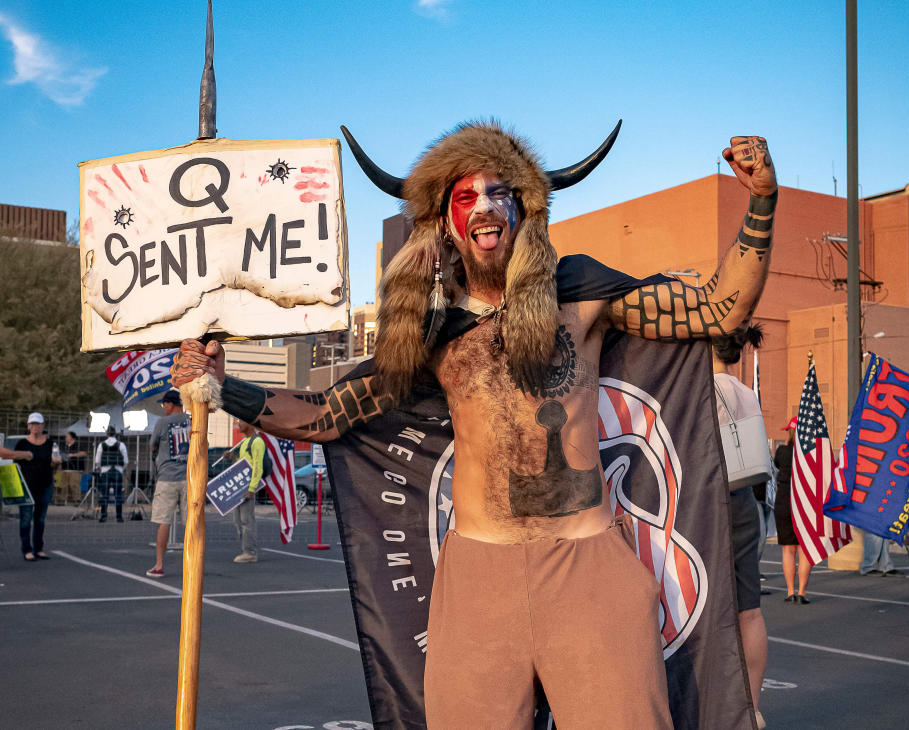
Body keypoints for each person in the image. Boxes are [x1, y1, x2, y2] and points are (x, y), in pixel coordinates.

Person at [173, 123, 777, 727]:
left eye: (499, 192)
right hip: (479, 580)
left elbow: (720, 307)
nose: (485, 206)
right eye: (466, 196)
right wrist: (221, 388)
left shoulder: (580, 292)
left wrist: (761, 200)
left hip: (587, 566)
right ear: (445, 223)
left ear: (524, 210)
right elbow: (327, 416)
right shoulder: (432, 332)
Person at [712, 324, 769, 729]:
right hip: (746, 499)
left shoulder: (701, 389)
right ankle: (752, 706)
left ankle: (711, 698)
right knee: (749, 609)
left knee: (704, 606)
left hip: (711, 500)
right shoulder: (746, 392)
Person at [146, 389, 191, 578]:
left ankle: (159, 564)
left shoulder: (162, 422)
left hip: (166, 477)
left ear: (171, 404)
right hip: (189, 477)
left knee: (164, 522)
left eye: (165, 404)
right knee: (191, 524)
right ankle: (193, 565)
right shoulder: (192, 420)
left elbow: (152, 445)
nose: (164, 407)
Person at [774, 417, 812, 603]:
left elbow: (776, 466)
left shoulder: (782, 451)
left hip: (784, 501)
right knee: (804, 549)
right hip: (804, 502)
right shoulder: (811, 453)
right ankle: (802, 592)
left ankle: (790, 591)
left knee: (788, 550)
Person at [14, 412, 61, 560]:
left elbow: (54, 464)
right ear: (28, 426)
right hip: (27, 486)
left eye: (38, 424)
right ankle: (27, 549)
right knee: (26, 518)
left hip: (45, 484)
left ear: (42, 426)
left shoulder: (50, 444)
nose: (35, 427)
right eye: (33, 424)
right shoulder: (22, 444)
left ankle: (39, 548)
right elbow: (15, 464)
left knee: (40, 519)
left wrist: (56, 462)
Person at [232, 420, 265, 564]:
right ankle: (245, 549)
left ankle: (250, 552)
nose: (238, 423)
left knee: (247, 521)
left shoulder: (257, 442)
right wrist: (232, 458)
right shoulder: (245, 441)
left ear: (251, 424)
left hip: (247, 488)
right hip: (239, 488)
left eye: (241, 421)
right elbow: (242, 464)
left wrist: (252, 488)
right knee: (238, 521)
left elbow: (258, 466)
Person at [94, 425, 128, 522]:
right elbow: (126, 461)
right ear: (115, 433)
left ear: (106, 434)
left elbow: (97, 461)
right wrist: (121, 469)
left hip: (105, 472)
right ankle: (119, 517)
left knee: (104, 495)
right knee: (118, 495)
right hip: (118, 471)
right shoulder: (121, 445)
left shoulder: (101, 445)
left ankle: (103, 516)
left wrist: (101, 469)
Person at [61, 431, 87, 504]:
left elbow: (83, 453)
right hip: (65, 468)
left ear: (72, 437)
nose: (65, 438)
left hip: (76, 469)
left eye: (67, 436)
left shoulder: (78, 445)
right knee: (64, 485)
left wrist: (72, 455)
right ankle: (63, 501)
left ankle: (77, 500)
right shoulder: (65, 446)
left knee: (74, 485)